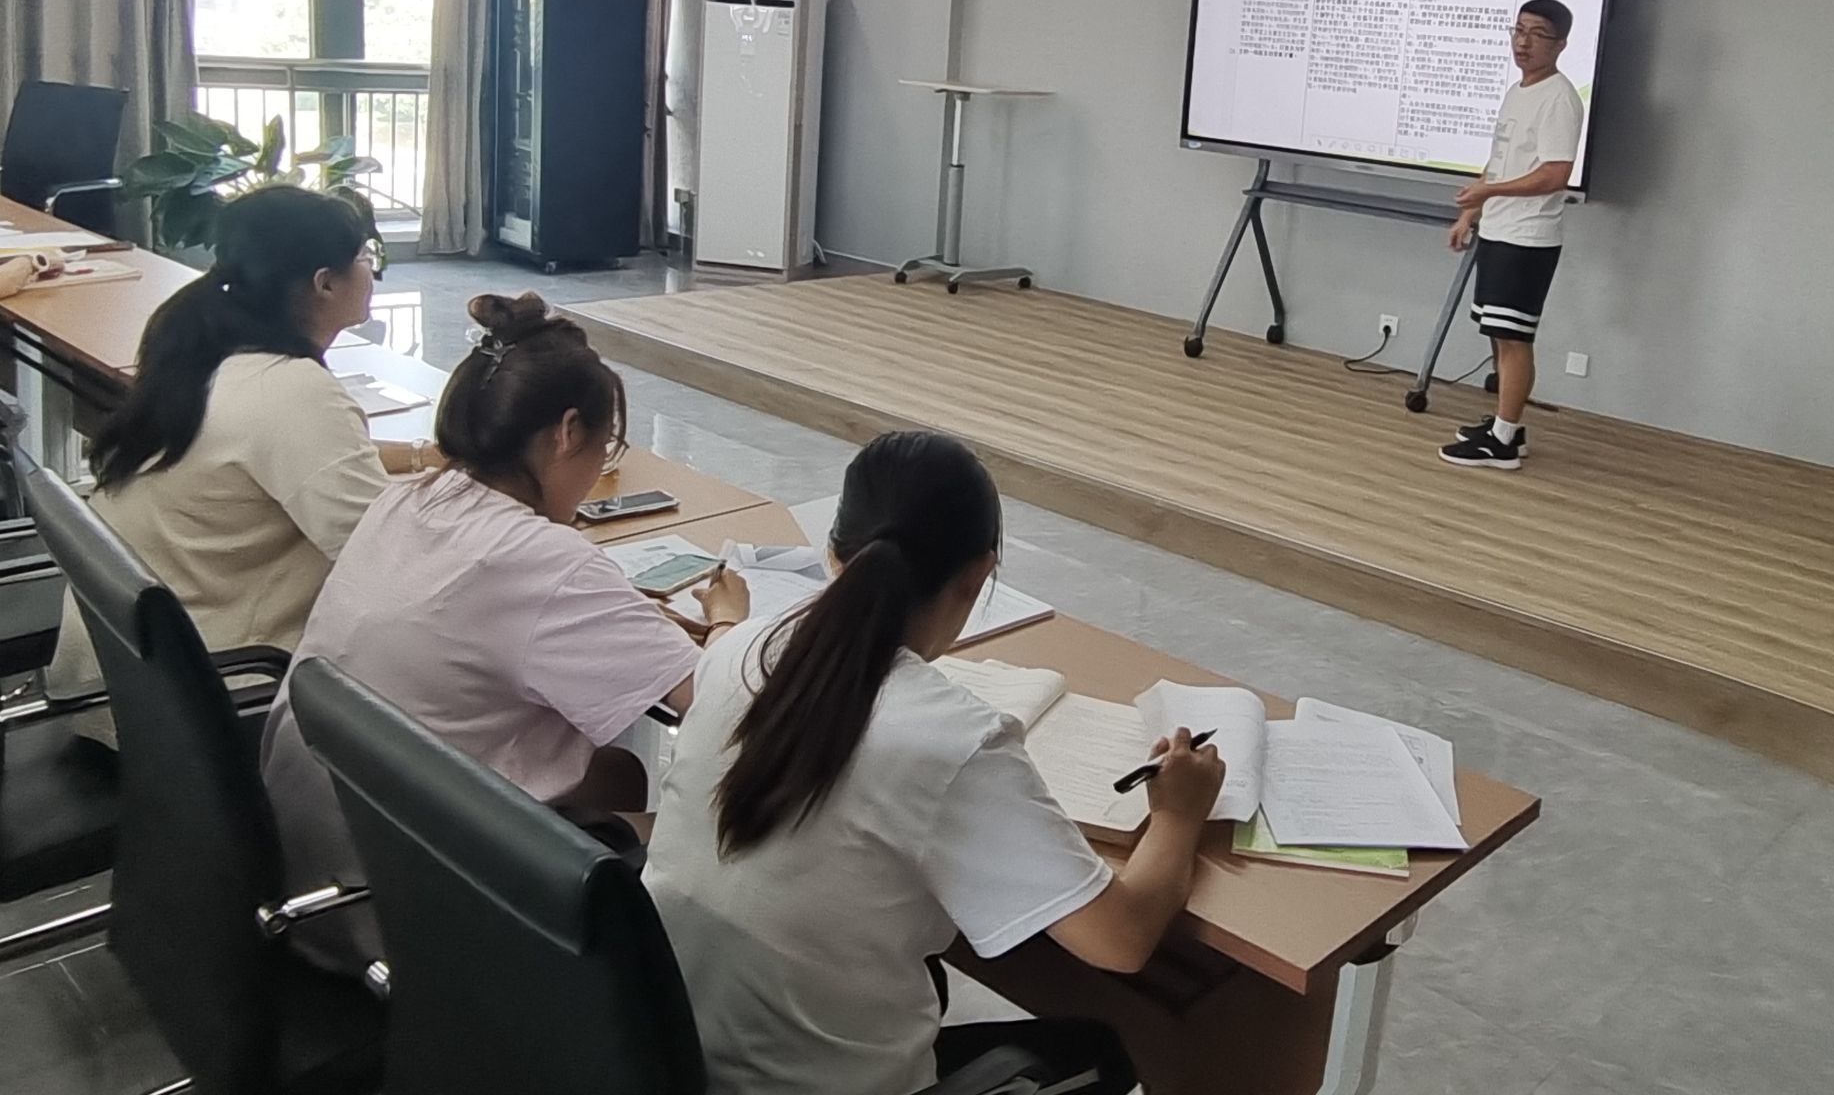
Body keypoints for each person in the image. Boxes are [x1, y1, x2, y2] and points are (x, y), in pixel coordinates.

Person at [644, 430, 1225, 1095]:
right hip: (814, 1083)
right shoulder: (954, 742)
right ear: (977, 575)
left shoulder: (737, 649)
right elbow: (1120, 939)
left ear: (832, 553)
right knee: (1101, 1051)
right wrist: (1177, 816)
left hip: (664, 1049)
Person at [260, 293, 744, 971]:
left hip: (312, 871)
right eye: (606, 445)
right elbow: (731, 707)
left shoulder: (407, 500)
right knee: (729, 845)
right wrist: (726, 622)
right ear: (568, 433)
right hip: (412, 911)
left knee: (616, 772)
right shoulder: (544, 562)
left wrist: (620, 616)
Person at [49, 186, 395, 719]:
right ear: (325, 282)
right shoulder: (292, 391)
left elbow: (288, 458)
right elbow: (387, 558)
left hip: (120, 680)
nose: (372, 270)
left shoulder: (205, 351)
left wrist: (424, 458)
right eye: (365, 257)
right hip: (214, 698)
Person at [1441, 0, 1586, 469]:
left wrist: (1492, 191)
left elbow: (1555, 174)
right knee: (1499, 333)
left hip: (1528, 236)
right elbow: (1501, 161)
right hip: (1500, 229)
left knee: (1514, 339)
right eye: (1518, 30)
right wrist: (1472, 213)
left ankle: (1502, 442)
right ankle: (1508, 426)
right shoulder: (1518, 90)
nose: (1523, 42)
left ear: (1560, 44)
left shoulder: (1559, 98)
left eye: (1537, 34)